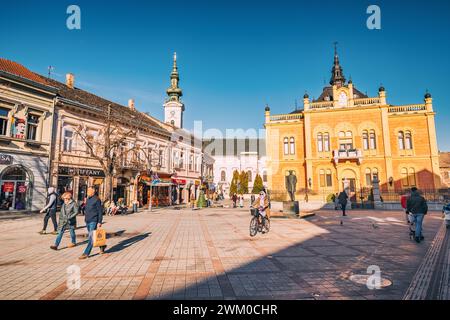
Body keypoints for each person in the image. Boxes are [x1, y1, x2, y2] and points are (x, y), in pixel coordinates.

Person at [79, 187, 106, 259]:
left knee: (91, 238)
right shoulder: (88, 199)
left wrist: (100, 221)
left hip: (93, 220)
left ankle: (86, 253)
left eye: (88, 190)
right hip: (87, 220)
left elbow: (100, 211)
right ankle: (102, 245)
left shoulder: (97, 199)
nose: (87, 192)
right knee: (94, 236)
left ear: (92, 191)